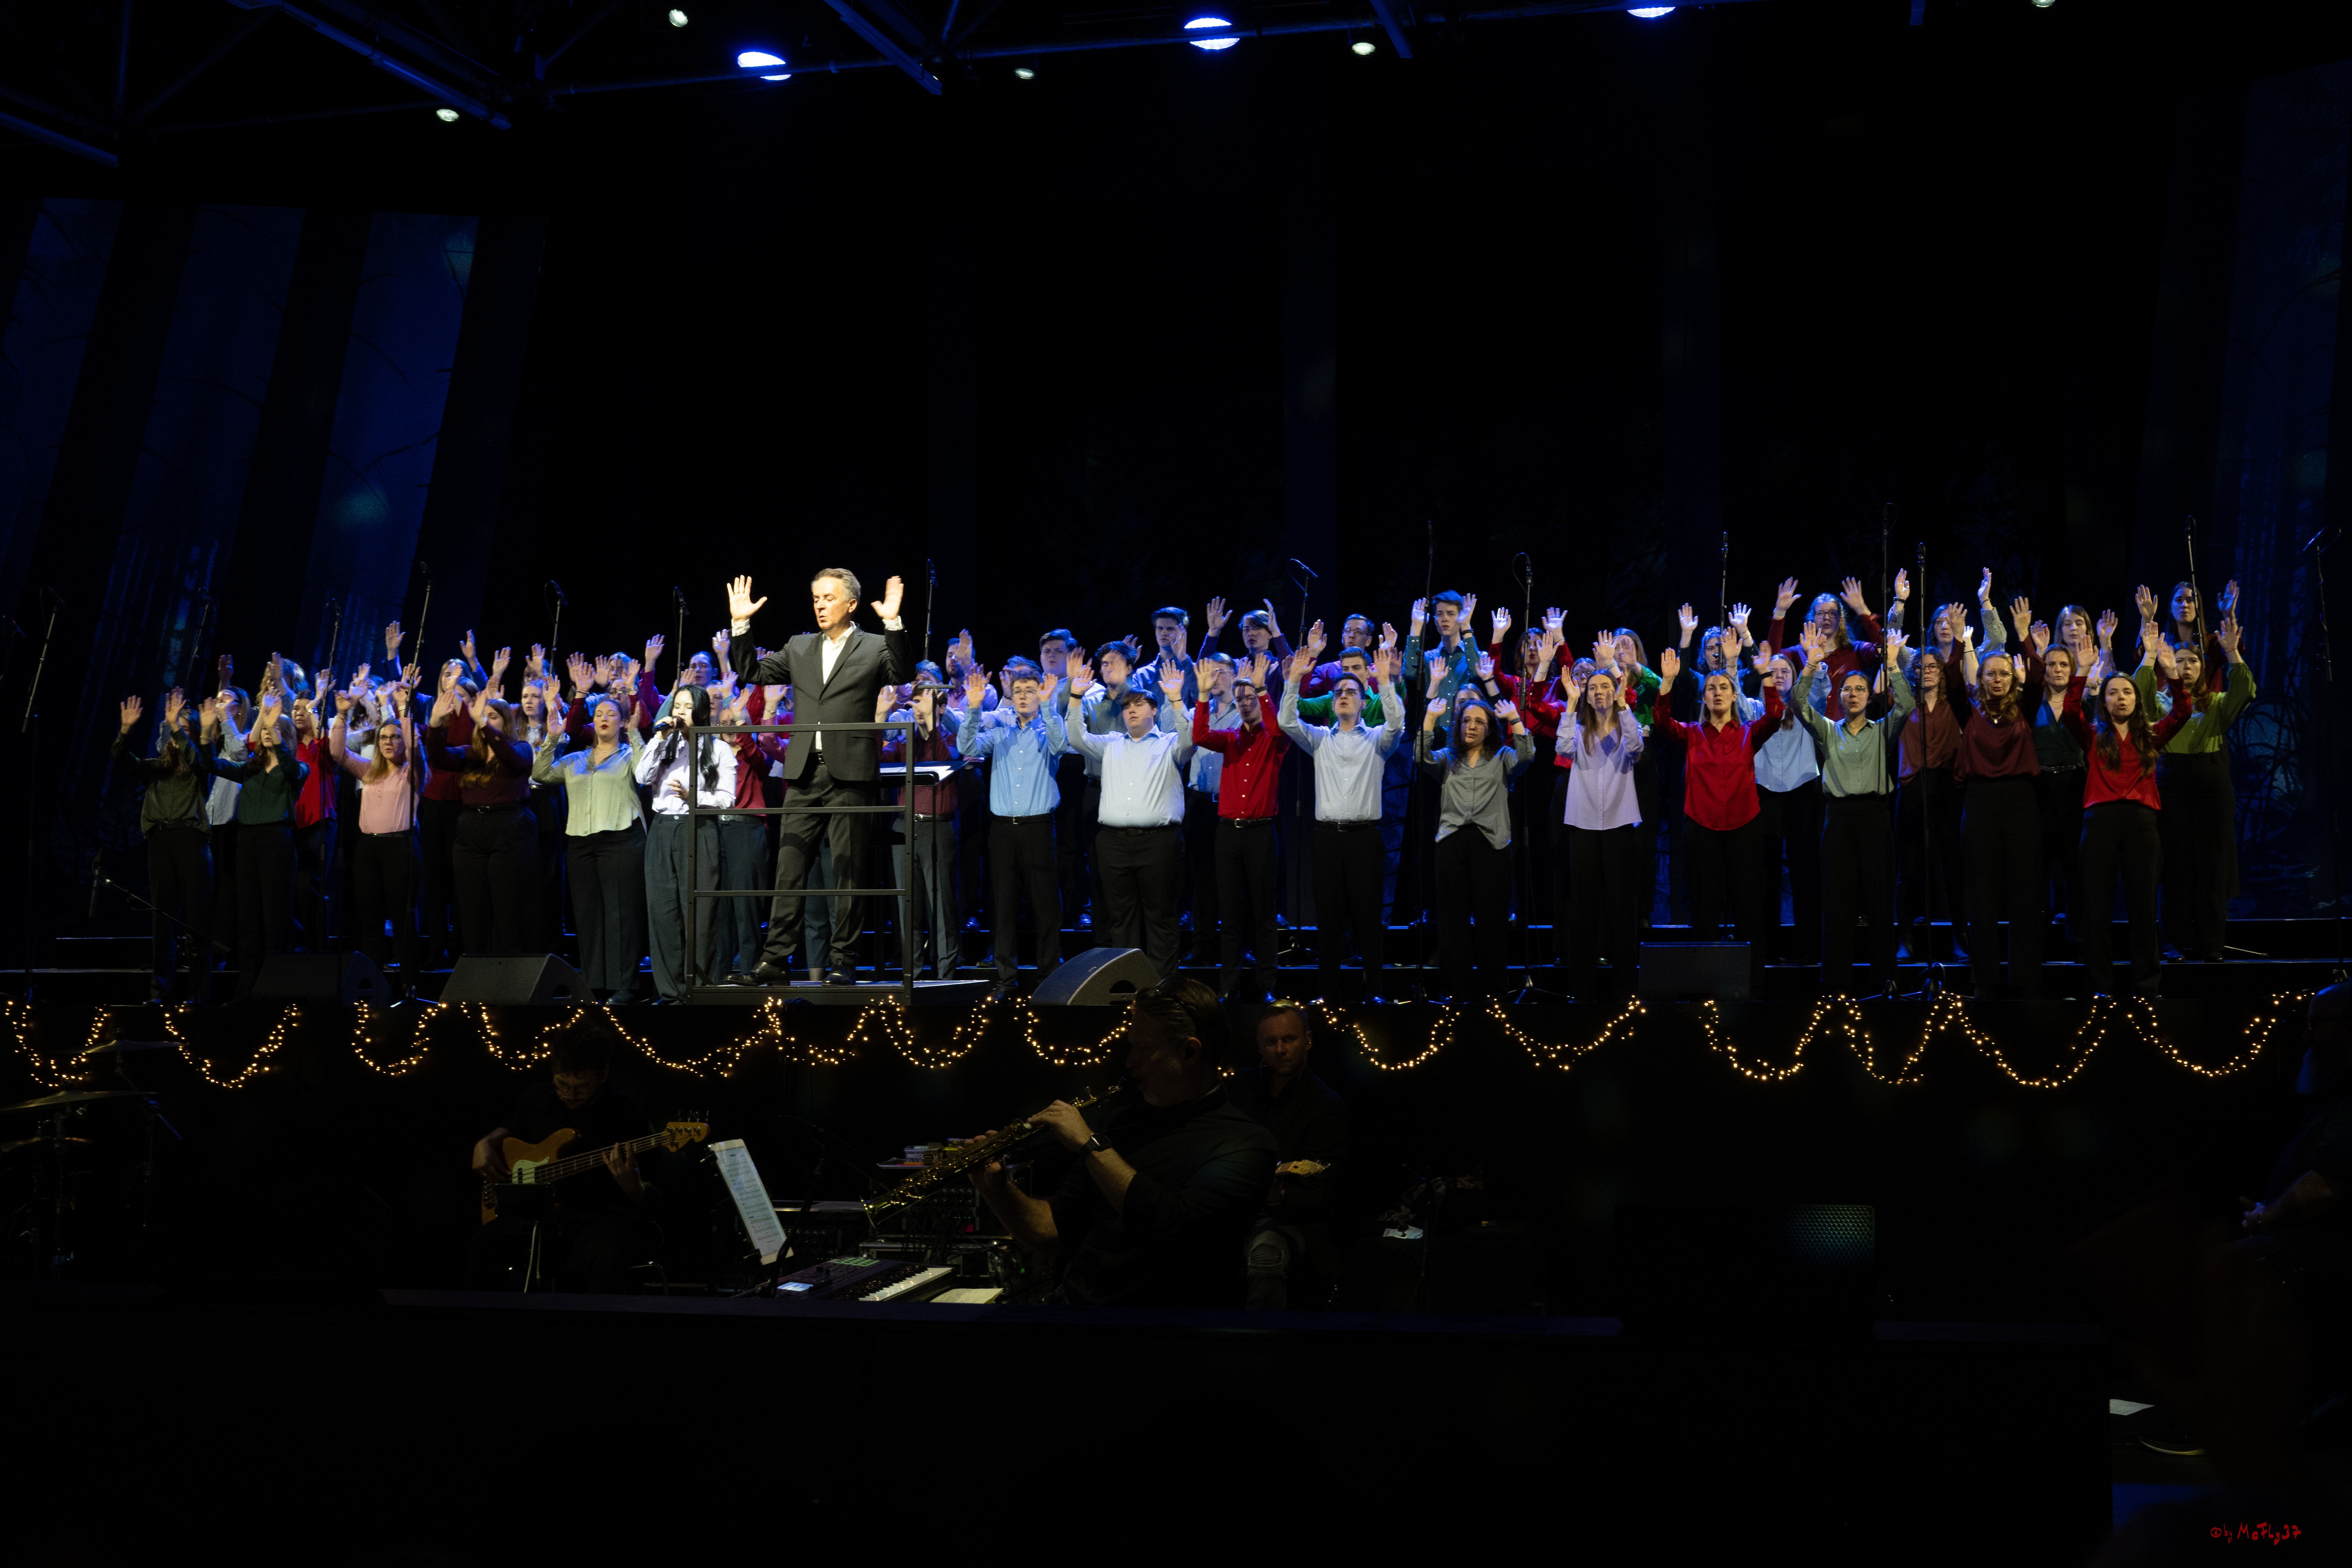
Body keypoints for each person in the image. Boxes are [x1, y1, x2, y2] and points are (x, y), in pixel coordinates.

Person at [966, 977, 1277, 1308]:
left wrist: (1090, 1146)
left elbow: (1171, 1228)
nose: (1129, 1062)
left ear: (1189, 1051)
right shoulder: (1123, 1122)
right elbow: (1053, 1231)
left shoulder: (1247, 1144)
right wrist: (997, 1188)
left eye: (1142, 1048)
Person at [729, 569, 911, 986]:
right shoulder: (798, 646)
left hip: (851, 773)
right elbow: (752, 673)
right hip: (804, 773)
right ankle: (774, 960)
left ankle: (843, 961)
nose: (820, 604)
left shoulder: (874, 645)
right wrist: (741, 625)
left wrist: (894, 622)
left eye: (829, 598)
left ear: (850, 604)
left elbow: (901, 673)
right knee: (790, 867)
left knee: (848, 870)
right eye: (815, 598)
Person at [467, 1021, 660, 1295]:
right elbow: (511, 1127)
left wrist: (635, 1190)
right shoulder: (536, 1098)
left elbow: (658, 1191)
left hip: (598, 1216)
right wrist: (484, 1143)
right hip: (537, 1215)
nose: (571, 1094)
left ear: (603, 1075)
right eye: (562, 1084)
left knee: (608, 1257)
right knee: (484, 1242)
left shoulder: (627, 1116)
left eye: (582, 1087)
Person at [2063, 620, 2194, 996]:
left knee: (2142, 908)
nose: (2121, 697)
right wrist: (2084, 670)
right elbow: (2071, 710)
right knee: (2097, 909)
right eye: (2113, 692)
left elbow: (2182, 711)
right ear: (2103, 700)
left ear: (2137, 700)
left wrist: (2172, 673)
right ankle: (2099, 985)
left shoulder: (2150, 735)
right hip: (2100, 822)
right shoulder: (2092, 735)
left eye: (2127, 692)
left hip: (2140, 824)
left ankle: (2146, 984)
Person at [1277, 628, 1405, 1002]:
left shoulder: (1377, 738)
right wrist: (1293, 680)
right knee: (1329, 919)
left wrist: (1384, 683)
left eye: (1351, 692)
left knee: (1368, 918)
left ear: (1363, 702)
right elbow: (1287, 722)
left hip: (1366, 837)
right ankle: (1328, 993)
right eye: (1339, 693)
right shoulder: (1319, 739)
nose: (1344, 696)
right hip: (1327, 838)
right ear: (1333, 703)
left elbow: (1397, 724)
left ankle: (1375, 991)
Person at [2133, 589, 2256, 964]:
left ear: (2203, 668)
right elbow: (2138, 695)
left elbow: (2245, 689)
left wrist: (2233, 652)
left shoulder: (2216, 704)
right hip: (2170, 780)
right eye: (2180, 661)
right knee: (2174, 864)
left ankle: (2211, 943)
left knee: (2212, 862)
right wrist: (2154, 656)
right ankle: (2173, 941)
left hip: (2210, 782)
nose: (2185, 667)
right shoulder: (2161, 699)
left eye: (2192, 662)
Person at [1650, 642, 1783, 985]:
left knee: (1747, 911)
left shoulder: (1748, 733)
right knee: (1705, 912)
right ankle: (1706, 985)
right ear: (1704, 699)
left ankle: (1752, 985)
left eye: (1724, 687)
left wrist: (1766, 674)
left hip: (1744, 827)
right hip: (1702, 828)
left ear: (1734, 695)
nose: (1717, 692)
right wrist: (1666, 682)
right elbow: (1661, 721)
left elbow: (1774, 715)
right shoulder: (1692, 734)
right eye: (1711, 688)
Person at [1794, 628, 1914, 996]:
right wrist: (1811, 663)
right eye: (1848, 689)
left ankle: (1886, 977)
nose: (1854, 694)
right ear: (1841, 697)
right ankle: (1835, 979)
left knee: (1879, 896)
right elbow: (1799, 706)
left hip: (1875, 815)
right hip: (1839, 818)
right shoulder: (1829, 730)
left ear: (1869, 695)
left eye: (1861, 688)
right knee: (1838, 898)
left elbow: (1907, 704)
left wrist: (1892, 666)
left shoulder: (1882, 729)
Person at [1065, 650, 1194, 980]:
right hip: (1114, 842)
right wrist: (1076, 698)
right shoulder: (1111, 743)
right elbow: (1076, 738)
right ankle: (1128, 987)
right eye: (1126, 707)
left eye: (1138, 705)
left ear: (1154, 710)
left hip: (1159, 842)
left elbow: (1193, 738)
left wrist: (1176, 700)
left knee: (1161, 917)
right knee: (1120, 918)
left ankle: (1162, 987)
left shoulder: (1169, 745)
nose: (1131, 710)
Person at [959, 656, 1070, 999]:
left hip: (1038, 828)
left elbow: (1061, 744)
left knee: (1045, 905)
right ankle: (1006, 980)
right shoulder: (1000, 733)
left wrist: (1050, 706)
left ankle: (1048, 975)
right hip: (1003, 830)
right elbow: (967, 747)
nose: (1023, 696)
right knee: (1003, 906)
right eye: (1018, 690)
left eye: (1030, 690)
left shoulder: (1049, 727)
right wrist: (974, 709)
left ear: (1041, 694)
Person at [1228, 1005, 1352, 1311]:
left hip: (1288, 1221)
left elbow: (1320, 1196)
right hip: (1231, 1208)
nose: (1280, 1049)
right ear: (1259, 1046)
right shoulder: (1238, 1088)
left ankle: (1263, 1352)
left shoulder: (1326, 1106)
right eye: (1271, 1042)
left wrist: (1276, 1198)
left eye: (1289, 1039)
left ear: (1308, 1040)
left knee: (1265, 1257)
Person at [1418, 672, 1534, 999]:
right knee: (1452, 922)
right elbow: (1420, 757)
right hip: (1452, 843)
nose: (1470, 726)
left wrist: (1513, 718)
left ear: (1488, 728)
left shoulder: (1501, 758)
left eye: (1478, 722)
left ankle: (1492, 995)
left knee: (1491, 923)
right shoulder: (1447, 758)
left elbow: (1527, 756)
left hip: (1491, 845)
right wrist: (1429, 718)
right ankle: (1455, 992)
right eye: (1465, 720)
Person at [540, 668, 649, 1003]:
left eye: (612, 713)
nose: (604, 718)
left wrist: (634, 734)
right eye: (599, 713)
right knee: (588, 915)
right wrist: (553, 738)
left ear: (622, 721)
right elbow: (542, 772)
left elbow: (646, 772)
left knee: (620, 914)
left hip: (622, 839)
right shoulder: (574, 759)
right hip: (582, 844)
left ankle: (624, 986)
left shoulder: (629, 755)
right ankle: (593, 983)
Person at [113, 688, 222, 1003]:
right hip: (160, 841)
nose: (176, 738)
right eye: (173, 731)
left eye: (184, 732)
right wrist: (125, 730)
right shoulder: (154, 768)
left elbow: (196, 757)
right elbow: (122, 761)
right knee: (163, 916)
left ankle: (199, 992)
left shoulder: (200, 768)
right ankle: (160, 989)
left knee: (197, 917)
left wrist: (179, 725)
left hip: (191, 840)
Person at [1192, 652, 1290, 1002]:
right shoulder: (1229, 738)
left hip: (1262, 832)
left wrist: (1263, 690)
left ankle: (1266, 987)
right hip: (1228, 833)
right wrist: (1203, 696)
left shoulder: (1274, 739)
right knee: (1229, 912)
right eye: (1241, 699)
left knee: (1263, 912)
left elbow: (1279, 727)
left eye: (1251, 698)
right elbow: (1200, 734)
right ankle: (1228, 986)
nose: (1246, 704)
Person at [1954, 625, 2044, 996]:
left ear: (2014, 678)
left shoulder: (2026, 709)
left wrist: (2025, 636)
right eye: (1989, 673)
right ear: (1980, 678)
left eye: (2003, 673)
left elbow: (2038, 679)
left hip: (2021, 801)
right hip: (1979, 802)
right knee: (1982, 894)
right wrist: (1962, 641)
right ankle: (1984, 980)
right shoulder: (1969, 713)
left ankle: (2024, 977)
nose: (1996, 679)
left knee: (2024, 892)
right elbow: (1950, 678)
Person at [423, 683, 539, 958]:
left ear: (506, 723)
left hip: (510, 829)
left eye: (492, 717)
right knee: (472, 905)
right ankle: (475, 969)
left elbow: (511, 758)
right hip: (471, 830)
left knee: (508, 903)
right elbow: (438, 757)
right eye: (482, 715)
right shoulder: (470, 753)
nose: (485, 720)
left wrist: (480, 721)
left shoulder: (520, 748)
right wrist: (435, 724)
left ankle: (512, 970)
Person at [636, 683, 735, 1001]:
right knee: (664, 915)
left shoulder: (718, 749)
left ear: (703, 712)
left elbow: (727, 800)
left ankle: (702, 992)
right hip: (663, 830)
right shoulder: (664, 743)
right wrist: (660, 738)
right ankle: (671, 993)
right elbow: (641, 776)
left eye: (687, 706)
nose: (679, 712)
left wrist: (696, 798)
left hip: (700, 829)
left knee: (701, 916)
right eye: (676, 705)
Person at [1557, 648, 1645, 1001]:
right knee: (1583, 907)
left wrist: (1623, 706)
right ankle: (1583, 989)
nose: (1598, 691)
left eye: (1604, 686)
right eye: (1592, 687)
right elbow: (1563, 748)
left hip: (1620, 822)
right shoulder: (1578, 729)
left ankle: (1626, 987)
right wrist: (1570, 701)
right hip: (1583, 824)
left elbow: (1637, 748)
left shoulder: (1627, 725)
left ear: (1615, 690)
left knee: (1622, 907)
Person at [212, 690, 309, 1002]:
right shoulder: (248, 769)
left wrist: (273, 726)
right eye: (265, 729)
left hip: (276, 842)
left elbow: (294, 771)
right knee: (249, 919)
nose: (268, 732)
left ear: (286, 736)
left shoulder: (295, 769)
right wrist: (201, 733)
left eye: (274, 728)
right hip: (247, 841)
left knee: (276, 918)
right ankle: (247, 990)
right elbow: (208, 763)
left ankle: (277, 989)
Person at [328, 679, 423, 981]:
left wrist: (405, 711)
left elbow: (416, 747)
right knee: (369, 920)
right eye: (384, 736)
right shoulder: (369, 770)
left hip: (401, 848)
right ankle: (372, 984)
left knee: (402, 917)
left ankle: (408, 984)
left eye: (395, 737)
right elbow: (338, 753)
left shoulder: (414, 772)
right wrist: (342, 716)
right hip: (368, 850)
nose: (389, 741)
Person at [881, 671, 962, 982]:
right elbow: (875, 757)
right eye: (915, 703)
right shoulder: (904, 741)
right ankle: (911, 976)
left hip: (938, 828)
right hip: (904, 828)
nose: (918, 708)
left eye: (925, 703)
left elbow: (945, 759)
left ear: (941, 708)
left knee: (941, 906)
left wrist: (932, 723)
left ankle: (945, 977)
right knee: (907, 907)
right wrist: (880, 715)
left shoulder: (952, 737)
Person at [1749, 641, 1822, 965]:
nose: (1778, 676)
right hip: (1765, 792)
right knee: (1766, 876)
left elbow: (1819, 688)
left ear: (1794, 677)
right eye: (1772, 671)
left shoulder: (1804, 704)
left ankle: (1808, 947)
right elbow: (1735, 698)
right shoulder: (1754, 707)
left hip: (1803, 791)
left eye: (1784, 671)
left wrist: (1810, 659)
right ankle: (1769, 948)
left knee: (1805, 872)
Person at [1896, 644, 1967, 963]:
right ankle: (1906, 937)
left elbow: (1957, 670)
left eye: (1932, 667)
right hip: (1912, 788)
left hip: (1947, 789)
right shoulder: (1902, 706)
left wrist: (1958, 642)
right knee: (1907, 869)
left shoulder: (1955, 706)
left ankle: (1959, 936)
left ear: (1941, 673)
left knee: (1953, 865)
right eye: (1921, 667)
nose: (1926, 672)